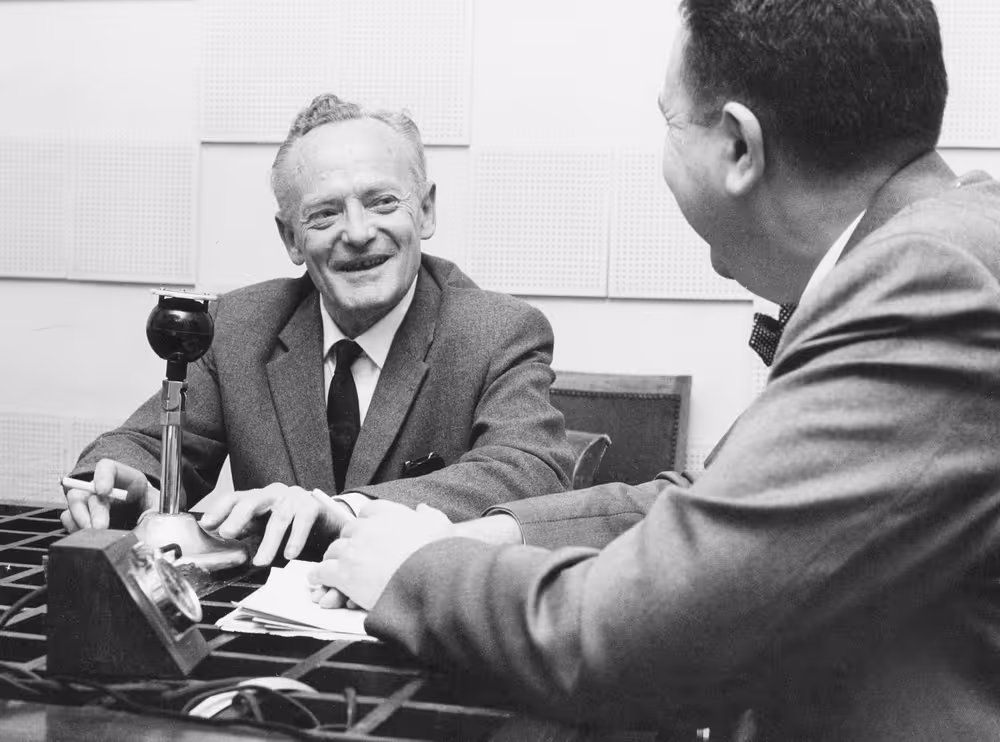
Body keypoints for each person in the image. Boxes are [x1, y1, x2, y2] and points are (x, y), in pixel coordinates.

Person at [310, 1, 1000, 739]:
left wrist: (416, 570)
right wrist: (505, 533)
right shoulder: (938, 242)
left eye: (668, 122)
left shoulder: (930, 280)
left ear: (738, 145)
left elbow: (639, 643)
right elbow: (730, 502)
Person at [62, 93, 574, 566]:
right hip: (263, 629)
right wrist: (123, 484)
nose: (356, 233)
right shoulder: (239, 326)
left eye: (382, 202)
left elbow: (531, 473)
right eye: (325, 214)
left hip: (413, 625)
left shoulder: (499, 332)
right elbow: (145, 445)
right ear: (291, 237)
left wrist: (348, 511)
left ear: (426, 211)